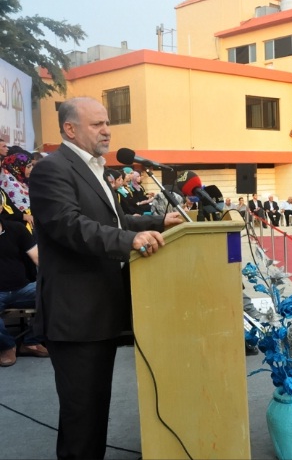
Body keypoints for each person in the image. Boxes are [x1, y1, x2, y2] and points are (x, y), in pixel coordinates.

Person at [28, 97, 184, 458]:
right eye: (97, 124)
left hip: (99, 311)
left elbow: (114, 221)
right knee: (82, 417)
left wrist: (159, 221)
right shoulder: (53, 169)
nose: (107, 130)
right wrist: (130, 241)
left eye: (107, 123)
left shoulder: (94, 167)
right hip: (75, 315)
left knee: (94, 409)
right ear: (70, 129)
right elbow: (70, 226)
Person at [0, 217, 48, 367]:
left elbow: (38, 258)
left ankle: (31, 342)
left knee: (55, 293)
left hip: (23, 288)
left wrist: (53, 281)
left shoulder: (16, 229)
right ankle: (7, 346)